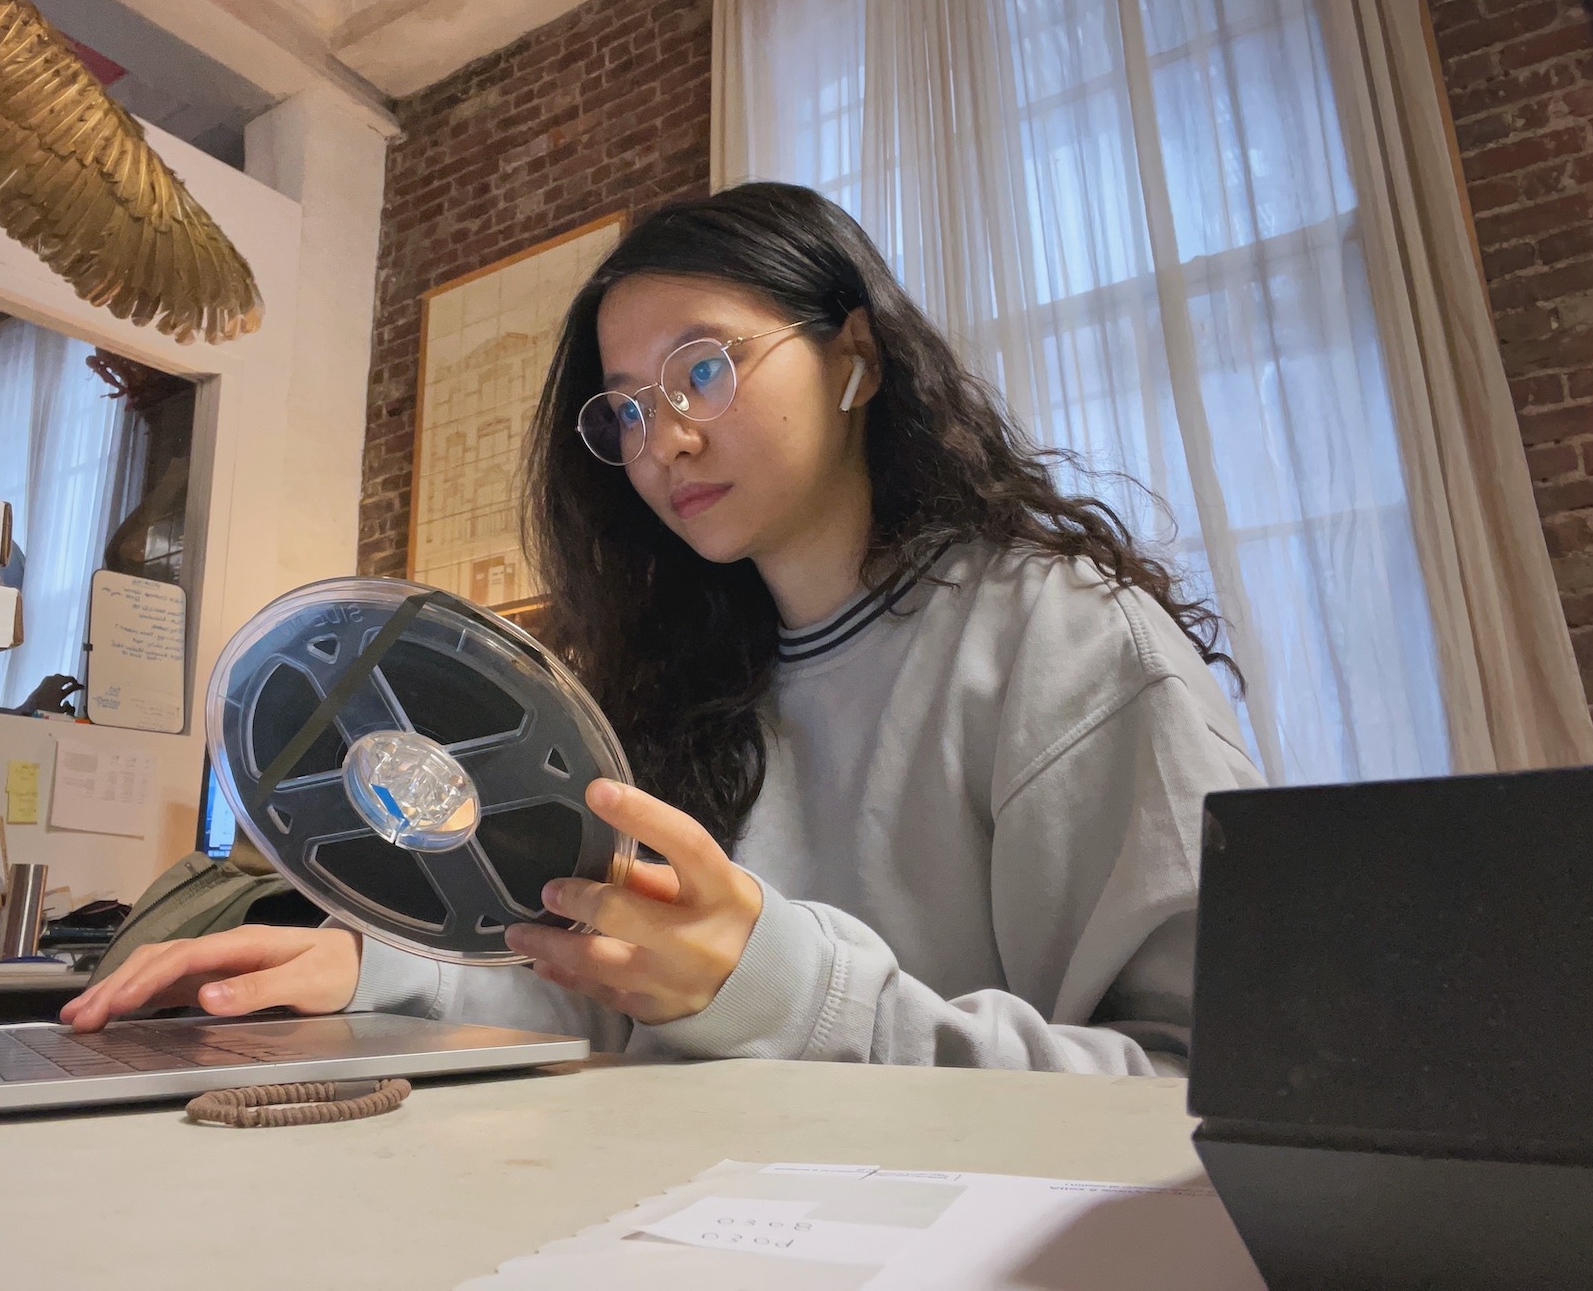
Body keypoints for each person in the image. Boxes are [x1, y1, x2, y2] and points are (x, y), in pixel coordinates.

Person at [64, 183, 1261, 1074]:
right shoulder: (685, 684)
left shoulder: (1067, 642)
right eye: (626, 408)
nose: (662, 441)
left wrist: (789, 988)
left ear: (856, 356)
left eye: (702, 372)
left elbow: (1202, 1083)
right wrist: (384, 973)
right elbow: (637, 992)